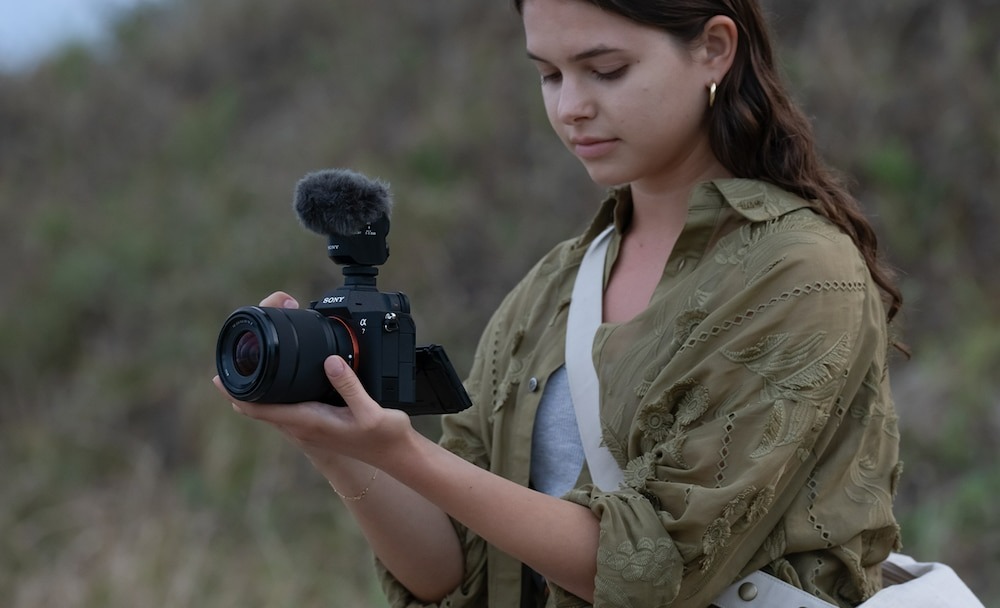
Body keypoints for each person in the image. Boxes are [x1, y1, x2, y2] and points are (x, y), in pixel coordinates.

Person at [213, 0, 905, 606]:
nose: (570, 105)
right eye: (548, 74)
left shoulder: (801, 275)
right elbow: (452, 574)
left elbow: (654, 568)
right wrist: (338, 443)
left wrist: (412, 458)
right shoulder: (555, 285)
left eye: (605, 70)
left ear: (713, 49)